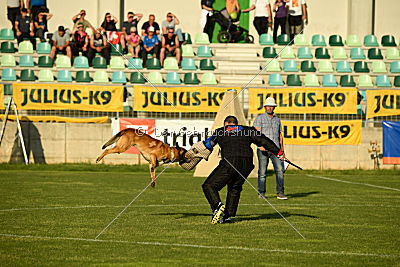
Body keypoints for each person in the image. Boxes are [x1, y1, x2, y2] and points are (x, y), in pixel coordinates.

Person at [202, 116, 283, 224]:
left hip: (230, 161)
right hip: (247, 164)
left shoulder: (220, 131)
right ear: (236, 123)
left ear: (226, 124)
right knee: (234, 187)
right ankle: (227, 217)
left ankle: (217, 205)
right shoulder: (248, 130)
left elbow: (207, 144)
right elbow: (263, 140)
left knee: (209, 186)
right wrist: (278, 152)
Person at [253, 97, 287, 200]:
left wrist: (282, 151)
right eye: (268, 106)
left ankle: (280, 193)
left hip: (275, 150)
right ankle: (261, 193)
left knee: (280, 170)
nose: (269, 108)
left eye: (271, 106)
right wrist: (259, 145)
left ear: (274, 107)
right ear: (265, 107)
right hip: (263, 150)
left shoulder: (277, 120)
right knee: (262, 172)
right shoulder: (259, 118)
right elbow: (256, 134)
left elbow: (280, 136)